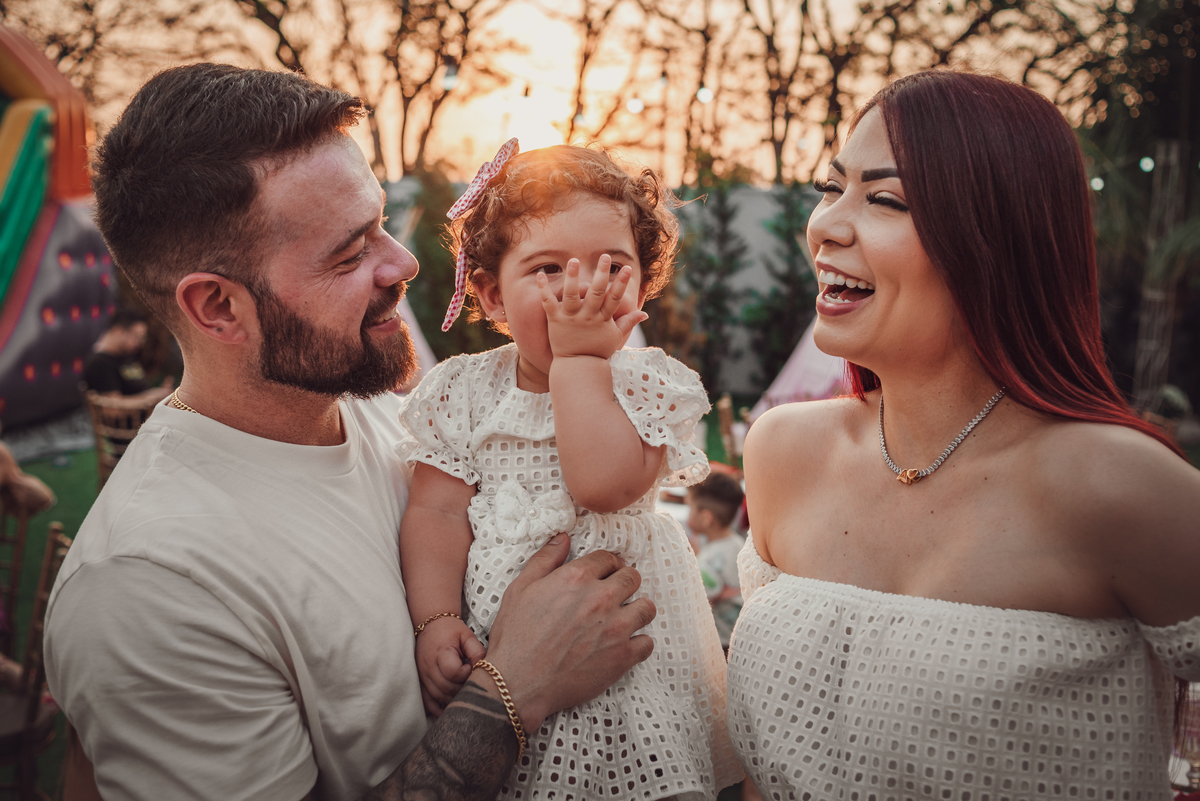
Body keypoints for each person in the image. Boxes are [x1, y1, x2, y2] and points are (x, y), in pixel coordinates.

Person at [44, 63, 659, 801]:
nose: (402, 263)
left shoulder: (408, 426)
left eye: (382, 226)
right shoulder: (151, 584)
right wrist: (512, 691)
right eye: (349, 253)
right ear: (219, 308)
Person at [730, 69, 1200, 799]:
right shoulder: (780, 451)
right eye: (831, 188)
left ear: (996, 241)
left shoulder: (1115, 483)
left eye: (884, 199)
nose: (826, 225)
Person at [398, 142, 742, 800]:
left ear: (643, 285)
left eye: (612, 266)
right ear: (493, 294)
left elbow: (601, 484)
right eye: (549, 267)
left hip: (628, 647)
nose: (580, 289)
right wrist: (436, 617)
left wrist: (581, 362)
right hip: (506, 647)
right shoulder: (463, 390)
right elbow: (435, 511)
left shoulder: (646, 385)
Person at [686, 472, 745, 651]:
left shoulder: (707, 560)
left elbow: (699, 598)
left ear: (706, 518)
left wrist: (693, 561)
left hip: (720, 642)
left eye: (690, 507)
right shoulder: (738, 543)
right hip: (740, 636)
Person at [81, 308, 173, 401]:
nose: (140, 343)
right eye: (136, 336)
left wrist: (160, 393)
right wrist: (151, 397)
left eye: (142, 338)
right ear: (118, 331)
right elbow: (113, 407)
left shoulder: (126, 355)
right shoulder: (100, 363)